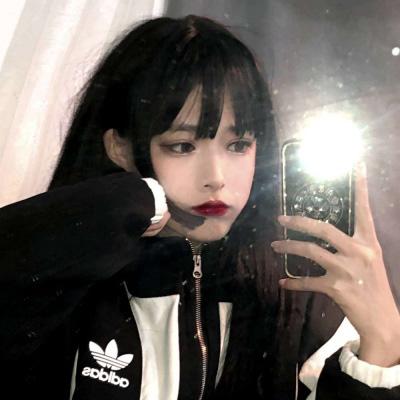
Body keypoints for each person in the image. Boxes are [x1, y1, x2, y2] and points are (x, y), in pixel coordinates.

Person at [0, 15, 399, 400]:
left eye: (238, 145)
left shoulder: (300, 294)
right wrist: (109, 211)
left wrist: (383, 346)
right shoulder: (67, 283)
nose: (216, 178)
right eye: (183, 146)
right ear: (120, 148)